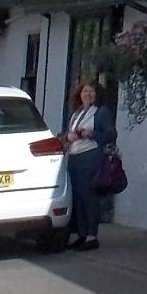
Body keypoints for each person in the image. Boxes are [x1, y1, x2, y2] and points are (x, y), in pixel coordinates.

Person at [62, 81, 117, 251]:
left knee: (89, 196)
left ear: (97, 94)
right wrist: (68, 136)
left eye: (92, 91)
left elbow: (111, 135)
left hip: (90, 157)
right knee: (77, 197)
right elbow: (67, 135)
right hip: (74, 157)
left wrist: (90, 134)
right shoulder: (77, 113)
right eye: (85, 91)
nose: (88, 94)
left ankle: (92, 236)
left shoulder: (101, 112)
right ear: (80, 94)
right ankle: (82, 234)